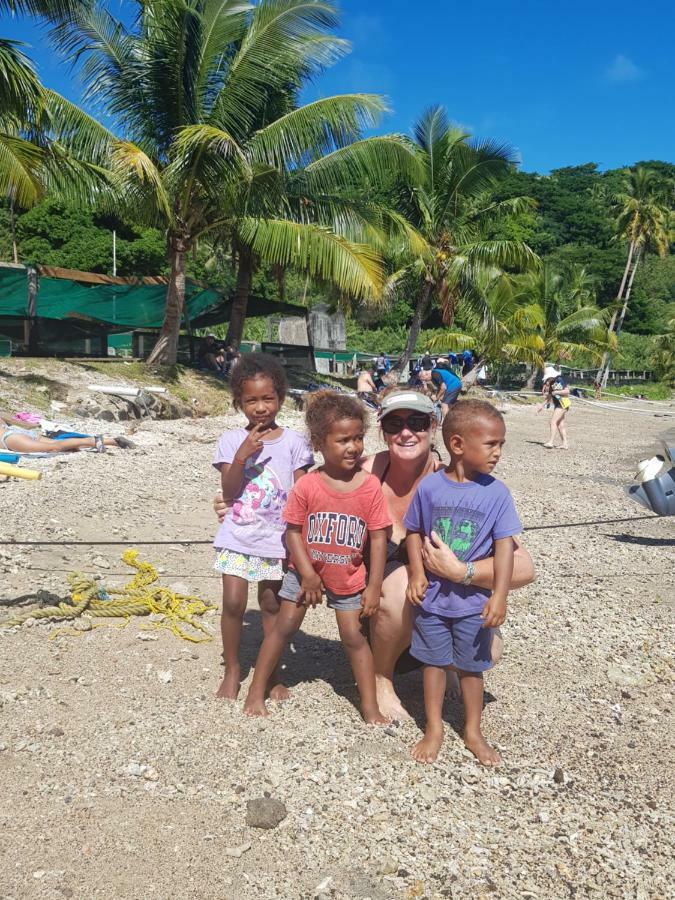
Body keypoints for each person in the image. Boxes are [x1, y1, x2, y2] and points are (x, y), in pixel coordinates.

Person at [214, 388, 535, 721]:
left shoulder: (453, 483)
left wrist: (461, 571)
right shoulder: (361, 471)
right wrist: (236, 507)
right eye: (395, 424)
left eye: (417, 422)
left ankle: (442, 664)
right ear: (382, 432)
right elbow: (296, 502)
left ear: (434, 427)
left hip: (432, 600)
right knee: (389, 591)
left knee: (488, 650)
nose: (406, 431)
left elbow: (524, 568)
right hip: (380, 604)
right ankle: (381, 679)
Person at [243, 391, 390, 724]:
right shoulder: (308, 485)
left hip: (350, 577)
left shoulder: (369, 487)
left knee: (353, 637)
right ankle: (256, 691)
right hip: (303, 572)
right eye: (343, 440)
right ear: (320, 443)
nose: (353, 447)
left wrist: (374, 585)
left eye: (358, 438)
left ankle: (370, 707)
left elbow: (379, 538)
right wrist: (307, 574)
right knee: (284, 627)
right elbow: (292, 532)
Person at [404, 400, 522, 766]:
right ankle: (434, 727)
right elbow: (413, 531)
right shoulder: (429, 488)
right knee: (433, 664)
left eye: (501, 444)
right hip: (433, 601)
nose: (498, 453)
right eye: (491, 444)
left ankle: (473, 730)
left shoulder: (497, 494)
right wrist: (417, 573)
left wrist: (499, 595)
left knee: (472, 668)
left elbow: (505, 550)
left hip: (473, 602)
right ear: (458, 445)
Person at [212, 353, 314, 701]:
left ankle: (269, 673)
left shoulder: (295, 443)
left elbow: (303, 491)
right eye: (250, 400)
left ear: (281, 398)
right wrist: (243, 454)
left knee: (271, 604)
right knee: (233, 602)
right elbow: (228, 491)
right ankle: (233, 669)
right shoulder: (229, 440)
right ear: (238, 402)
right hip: (238, 534)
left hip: (277, 539)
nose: (260, 407)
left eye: (267, 398)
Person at [0, 409, 133, 453]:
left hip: (10, 439)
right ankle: (112, 441)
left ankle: (96, 441)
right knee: (58, 444)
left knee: (54, 447)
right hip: (14, 431)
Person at [537, 365, 571, 450]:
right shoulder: (552, 382)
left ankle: (551, 442)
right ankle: (565, 444)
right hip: (559, 404)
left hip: (563, 403)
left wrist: (557, 392)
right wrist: (542, 405)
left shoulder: (559, 379)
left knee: (553, 422)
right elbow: (549, 396)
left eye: (548, 378)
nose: (547, 380)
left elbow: (567, 391)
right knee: (560, 424)